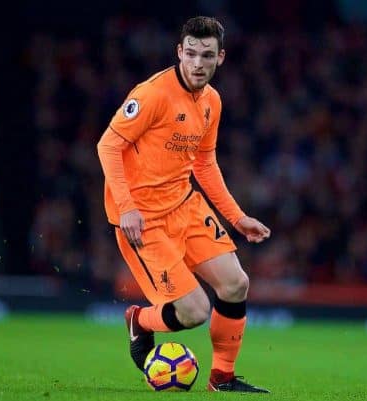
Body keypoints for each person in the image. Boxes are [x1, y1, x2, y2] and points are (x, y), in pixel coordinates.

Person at [97, 16, 271, 393]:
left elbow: (204, 164)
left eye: (206, 56)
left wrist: (237, 218)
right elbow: (108, 145)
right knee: (194, 312)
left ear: (220, 58)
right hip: (144, 219)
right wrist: (127, 207)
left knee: (235, 284)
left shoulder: (212, 102)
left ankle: (221, 379)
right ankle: (140, 321)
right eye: (190, 54)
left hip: (186, 206)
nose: (197, 64)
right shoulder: (152, 94)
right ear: (179, 52)